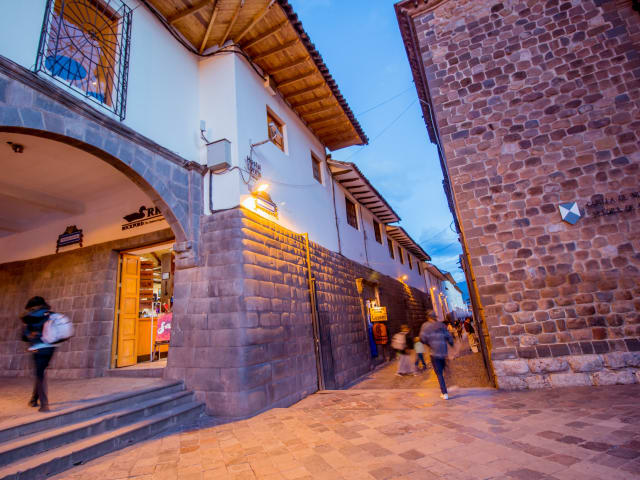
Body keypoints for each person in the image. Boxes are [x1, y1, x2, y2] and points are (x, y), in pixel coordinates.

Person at [21, 296, 56, 412]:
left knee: (40, 374)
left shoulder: (31, 316)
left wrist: (32, 335)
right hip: (50, 348)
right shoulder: (51, 314)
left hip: (38, 349)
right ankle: (34, 399)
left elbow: (25, 335)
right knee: (40, 372)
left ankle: (44, 404)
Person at [420, 310, 454, 399]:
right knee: (445, 369)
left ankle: (444, 392)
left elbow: (422, 338)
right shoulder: (441, 325)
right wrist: (451, 344)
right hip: (443, 351)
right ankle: (449, 385)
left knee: (439, 373)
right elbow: (449, 337)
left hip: (434, 353)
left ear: (428, 317)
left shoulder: (425, 326)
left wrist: (428, 343)